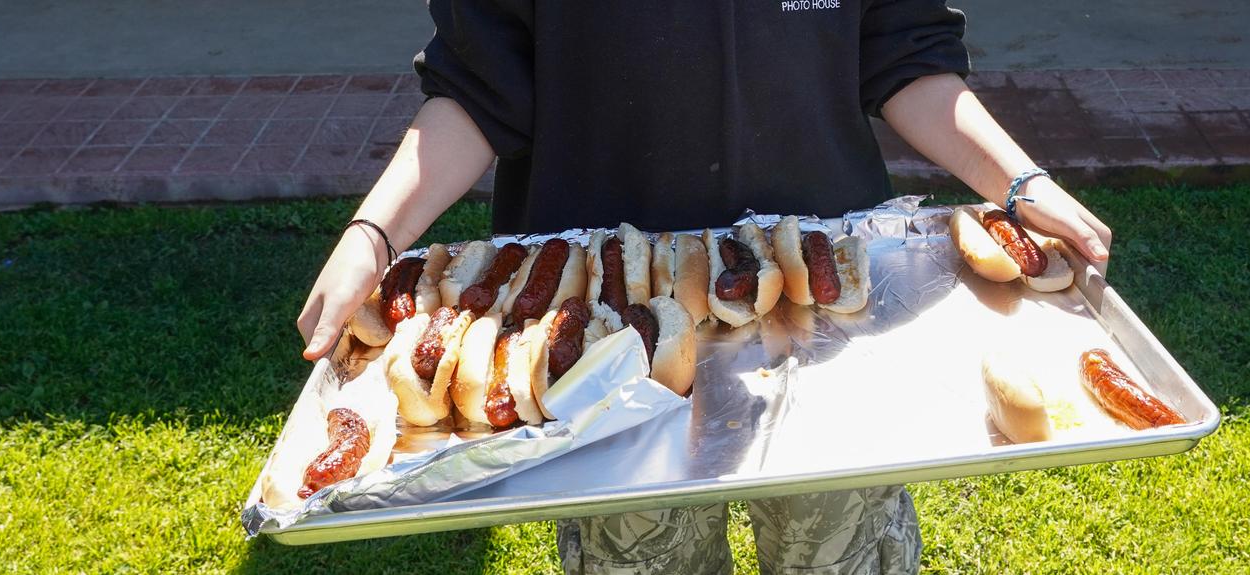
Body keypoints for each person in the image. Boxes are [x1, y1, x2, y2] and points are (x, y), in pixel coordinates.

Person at [296, 1, 1112, 573]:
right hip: (602, 337)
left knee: (840, 552)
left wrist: (1020, 181)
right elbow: (478, 88)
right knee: (642, 558)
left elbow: (906, 56)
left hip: (822, 310)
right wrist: (374, 233)